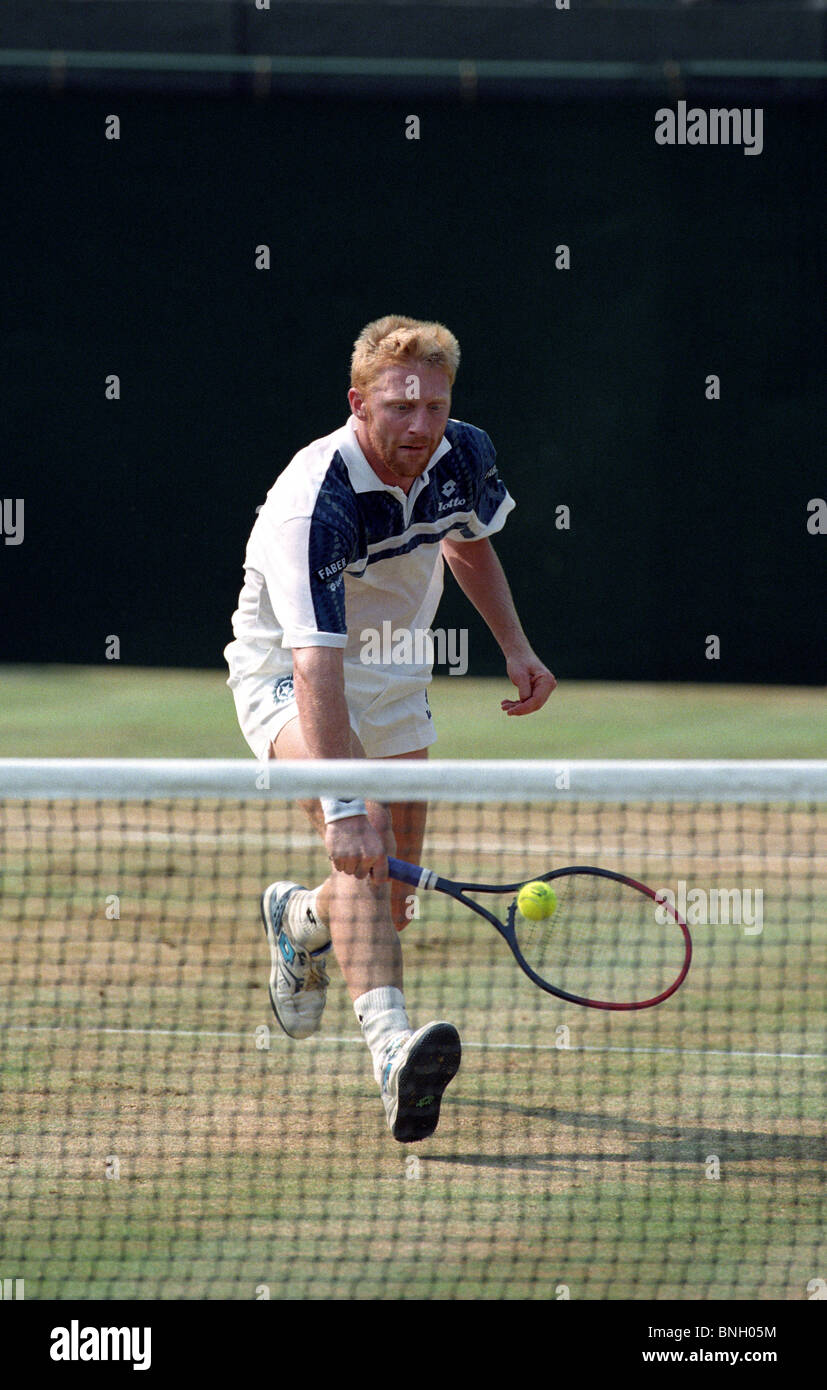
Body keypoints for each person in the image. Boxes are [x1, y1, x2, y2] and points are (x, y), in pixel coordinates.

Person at [224, 315, 555, 1142]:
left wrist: (514, 646)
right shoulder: (316, 503)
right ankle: (390, 1054)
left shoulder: (462, 454)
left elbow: (467, 542)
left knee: (392, 898)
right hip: (287, 678)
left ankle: (299, 918)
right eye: (401, 407)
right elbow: (315, 671)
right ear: (359, 403)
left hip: (397, 676)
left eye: (434, 407)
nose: (420, 425)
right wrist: (342, 807)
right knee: (365, 843)